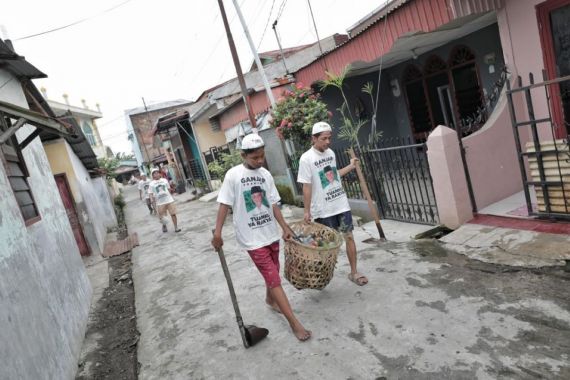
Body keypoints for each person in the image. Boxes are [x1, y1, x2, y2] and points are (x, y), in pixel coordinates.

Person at [211, 133, 311, 342]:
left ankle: (270, 300)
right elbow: (224, 204)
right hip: (252, 239)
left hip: (270, 233)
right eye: (254, 158)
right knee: (274, 279)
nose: (259, 161)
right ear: (243, 155)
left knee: (273, 273)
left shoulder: (265, 174)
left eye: (261, 157)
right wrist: (218, 232)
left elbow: (273, 203)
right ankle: (295, 323)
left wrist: (284, 227)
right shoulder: (233, 175)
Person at [297, 121, 368, 286]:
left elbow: (333, 175)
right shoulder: (306, 159)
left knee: (349, 236)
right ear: (314, 138)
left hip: (340, 204)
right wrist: (307, 211)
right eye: (324, 139)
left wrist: (350, 167)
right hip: (323, 210)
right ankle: (321, 275)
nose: (328, 142)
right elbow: (306, 186)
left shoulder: (331, 153)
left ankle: (354, 272)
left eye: (329, 138)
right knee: (326, 245)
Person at [148, 168, 181, 233]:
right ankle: (164, 225)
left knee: (173, 214)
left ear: (159, 174)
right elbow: (150, 193)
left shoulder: (164, 180)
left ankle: (176, 227)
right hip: (160, 203)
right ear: (153, 175)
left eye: (157, 172)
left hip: (169, 200)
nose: (156, 174)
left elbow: (168, 189)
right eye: (154, 173)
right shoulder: (151, 184)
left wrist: (169, 195)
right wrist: (151, 199)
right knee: (162, 217)